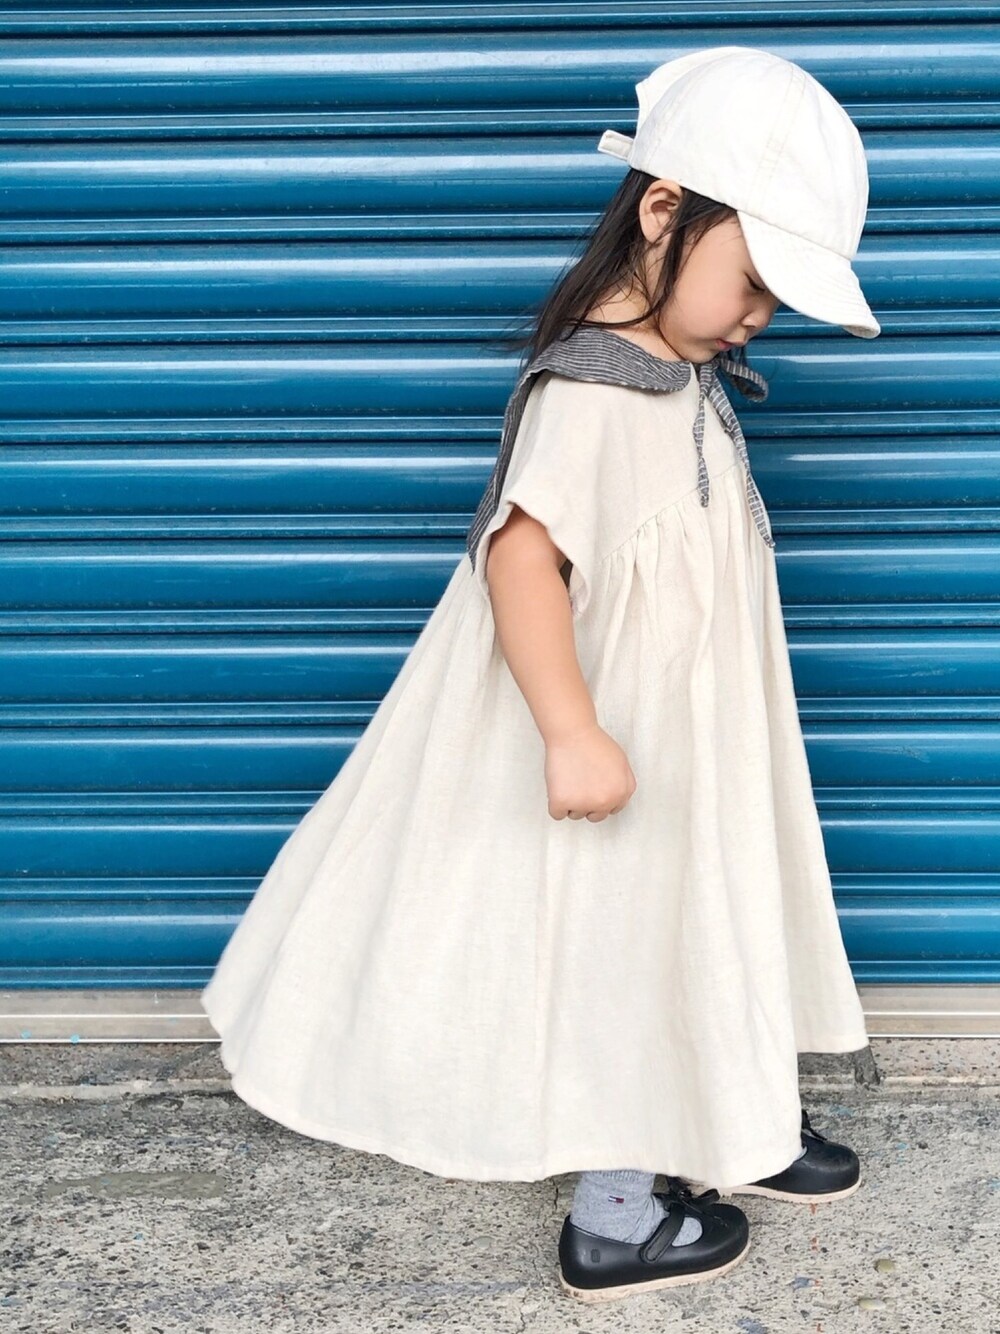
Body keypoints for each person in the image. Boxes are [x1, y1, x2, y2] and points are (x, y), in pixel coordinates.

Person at [200, 45, 881, 1304]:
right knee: (626, 946)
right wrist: (572, 730)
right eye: (753, 281)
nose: (757, 316)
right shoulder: (591, 388)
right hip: (622, 734)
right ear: (664, 211)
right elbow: (521, 558)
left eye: (777, 299)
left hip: (695, 728)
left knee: (715, 907)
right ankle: (617, 1216)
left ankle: (732, 1113)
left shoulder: (679, 370)